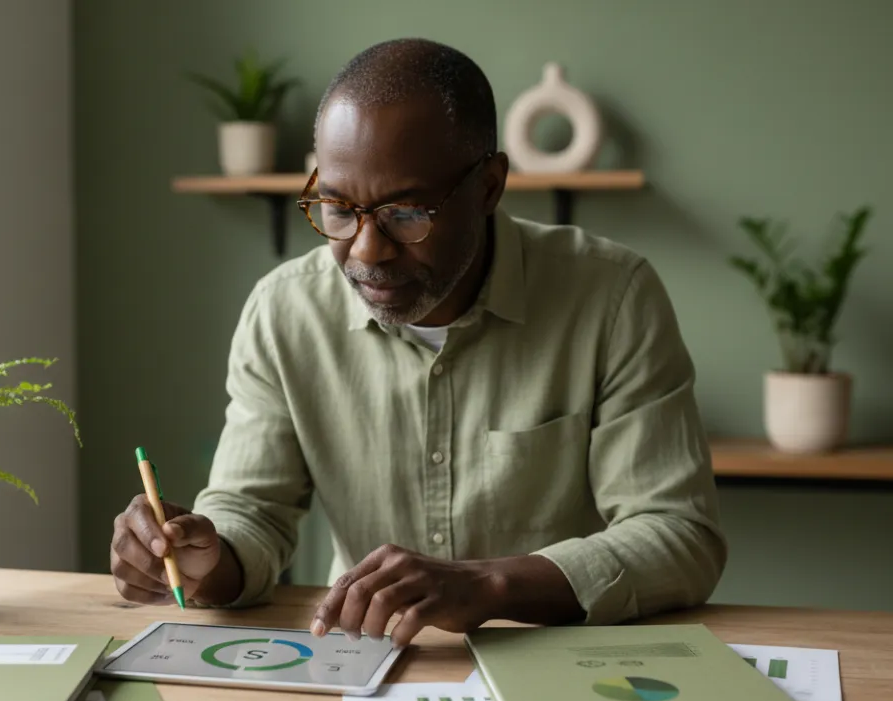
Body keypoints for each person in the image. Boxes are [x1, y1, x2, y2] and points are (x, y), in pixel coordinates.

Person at [110, 38, 726, 647]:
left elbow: (677, 535)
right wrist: (202, 557)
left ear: (489, 186)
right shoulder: (284, 311)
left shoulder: (611, 296)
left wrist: (486, 586)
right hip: (364, 660)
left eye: (406, 213)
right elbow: (253, 514)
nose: (366, 250)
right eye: (338, 208)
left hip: (561, 662)